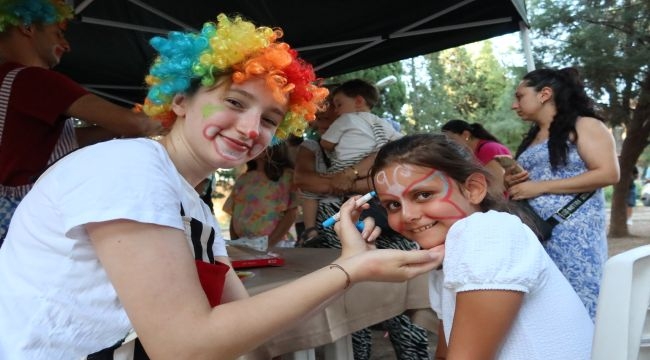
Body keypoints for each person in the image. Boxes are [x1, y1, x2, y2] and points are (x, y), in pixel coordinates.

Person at [0, 14, 444, 359]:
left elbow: (243, 321)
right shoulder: (129, 166)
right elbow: (185, 348)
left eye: (270, 119)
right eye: (234, 102)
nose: (251, 129)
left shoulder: (193, 207)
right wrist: (349, 271)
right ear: (179, 101)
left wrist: (349, 267)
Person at [370, 133, 594, 359]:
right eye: (392, 205)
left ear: (473, 189)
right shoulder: (447, 252)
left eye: (423, 195)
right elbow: (444, 353)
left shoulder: (487, 233)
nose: (407, 215)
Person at [0, 0, 162, 245]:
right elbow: (137, 125)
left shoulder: (7, 81)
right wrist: (166, 109)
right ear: (27, 26)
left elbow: (53, 143)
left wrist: (119, 125)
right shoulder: (36, 79)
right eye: (58, 33)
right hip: (22, 217)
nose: (66, 45)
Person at [296, 86, 430, 359]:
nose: (323, 126)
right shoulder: (312, 147)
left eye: (328, 117)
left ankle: (413, 352)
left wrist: (351, 179)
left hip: (383, 223)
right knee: (352, 303)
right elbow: (303, 181)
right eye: (318, 121)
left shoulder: (373, 133)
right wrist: (344, 181)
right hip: (339, 228)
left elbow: (391, 174)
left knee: (398, 297)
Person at [507, 67, 620, 320]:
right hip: (537, 235)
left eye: (520, 96)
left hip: (573, 237)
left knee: (580, 304)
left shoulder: (585, 125)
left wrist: (540, 187)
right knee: (549, 310)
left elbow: (609, 174)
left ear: (544, 94)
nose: (515, 105)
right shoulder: (534, 136)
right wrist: (512, 178)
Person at [224, 142, 298, 248]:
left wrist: (270, 244)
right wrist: (236, 242)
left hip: (277, 245)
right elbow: (235, 213)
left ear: (275, 146)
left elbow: (292, 213)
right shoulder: (243, 178)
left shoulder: (287, 176)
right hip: (243, 244)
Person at [441, 119, 513, 194]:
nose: (449, 145)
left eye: (451, 140)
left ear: (466, 135)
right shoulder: (474, 154)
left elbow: (498, 187)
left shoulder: (489, 149)